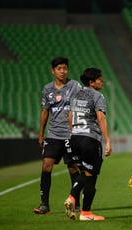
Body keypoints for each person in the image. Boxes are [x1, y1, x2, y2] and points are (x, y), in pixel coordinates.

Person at [33, 57, 81, 214]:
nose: (62, 71)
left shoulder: (74, 86)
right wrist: (41, 134)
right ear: (53, 71)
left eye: (65, 68)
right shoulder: (48, 89)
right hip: (53, 135)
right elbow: (45, 111)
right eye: (59, 68)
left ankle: (76, 202)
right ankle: (44, 204)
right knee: (46, 166)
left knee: (73, 168)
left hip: (70, 135)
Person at [64, 67, 112, 221]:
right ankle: (83, 210)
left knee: (85, 173)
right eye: (99, 78)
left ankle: (79, 205)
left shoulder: (75, 95)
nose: (102, 80)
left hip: (75, 138)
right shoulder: (97, 95)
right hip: (90, 139)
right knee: (91, 176)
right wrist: (108, 140)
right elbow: (100, 118)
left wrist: (76, 133)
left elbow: (70, 117)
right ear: (92, 82)